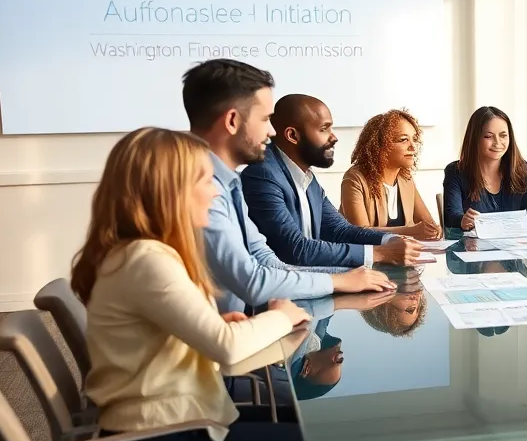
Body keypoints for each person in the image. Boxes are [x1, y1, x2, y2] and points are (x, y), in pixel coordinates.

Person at [69, 127, 391, 441]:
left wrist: (220, 322)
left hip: (154, 428)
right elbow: (225, 348)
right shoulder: (148, 260)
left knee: (318, 425)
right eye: (202, 180)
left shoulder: (135, 252)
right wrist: (277, 317)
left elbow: (181, 338)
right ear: (168, 190)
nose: (213, 190)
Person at [183, 58, 396, 322]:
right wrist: (339, 281)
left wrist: (347, 277)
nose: (272, 131)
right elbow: (254, 282)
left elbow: (269, 262)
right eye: (264, 119)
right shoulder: (197, 189)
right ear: (232, 121)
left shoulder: (228, 183)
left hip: (236, 334)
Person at [242, 94, 422, 268]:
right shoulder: (263, 175)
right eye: (324, 129)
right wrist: (380, 253)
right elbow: (295, 250)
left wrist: (390, 240)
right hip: (282, 294)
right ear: (292, 136)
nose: (334, 137)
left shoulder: (307, 179)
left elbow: (341, 230)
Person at [341, 109, 443, 240]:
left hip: (402, 257)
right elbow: (359, 233)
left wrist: (434, 230)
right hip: (366, 259)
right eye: (403, 140)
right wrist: (410, 232)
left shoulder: (405, 179)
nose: (413, 147)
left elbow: (428, 224)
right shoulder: (355, 178)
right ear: (380, 145)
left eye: (414, 139)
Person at [442, 106, 527, 230]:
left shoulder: (521, 169)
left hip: (515, 246)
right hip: (473, 247)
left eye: (503, 136)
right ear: (474, 139)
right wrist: (463, 220)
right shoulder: (456, 171)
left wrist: (497, 223)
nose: (497, 143)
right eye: (488, 136)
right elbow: (451, 217)